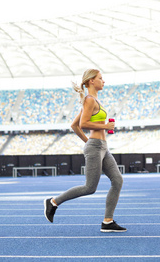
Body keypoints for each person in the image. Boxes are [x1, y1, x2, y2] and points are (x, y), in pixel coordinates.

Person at [44, 69, 126, 233]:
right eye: (101, 78)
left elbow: (74, 125)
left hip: (102, 147)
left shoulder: (93, 100)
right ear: (91, 82)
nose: (104, 81)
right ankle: (53, 202)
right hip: (96, 147)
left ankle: (108, 221)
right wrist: (103, 128)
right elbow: (83, 124)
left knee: (117, 180)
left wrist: (90, 140)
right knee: (90, 187)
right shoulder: (89, 99)